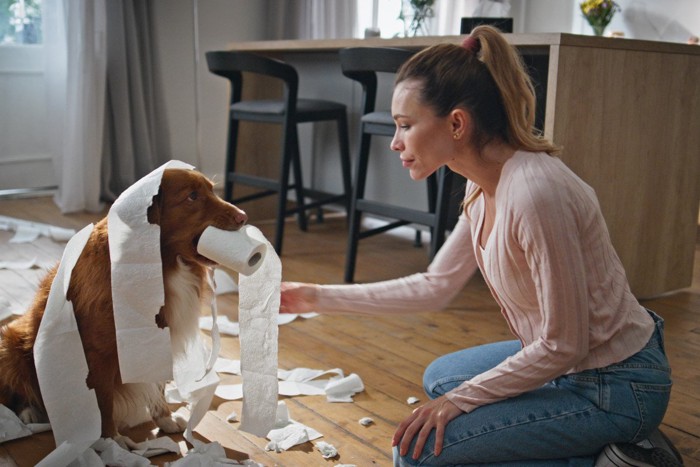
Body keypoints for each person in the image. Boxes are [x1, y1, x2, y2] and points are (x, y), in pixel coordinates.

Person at [280, 26, 683, 466]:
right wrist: (314, 296)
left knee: (416, 455)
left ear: (456, 123)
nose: (395, 142)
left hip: (617, 385)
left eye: (405, 125)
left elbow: (562, 343)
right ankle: (591, 446)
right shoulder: (480, 187)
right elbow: (435, 285)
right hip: (572, 363)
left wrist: (460, 403)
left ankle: (615, 458)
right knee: (442, 377)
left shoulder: (534, 194)